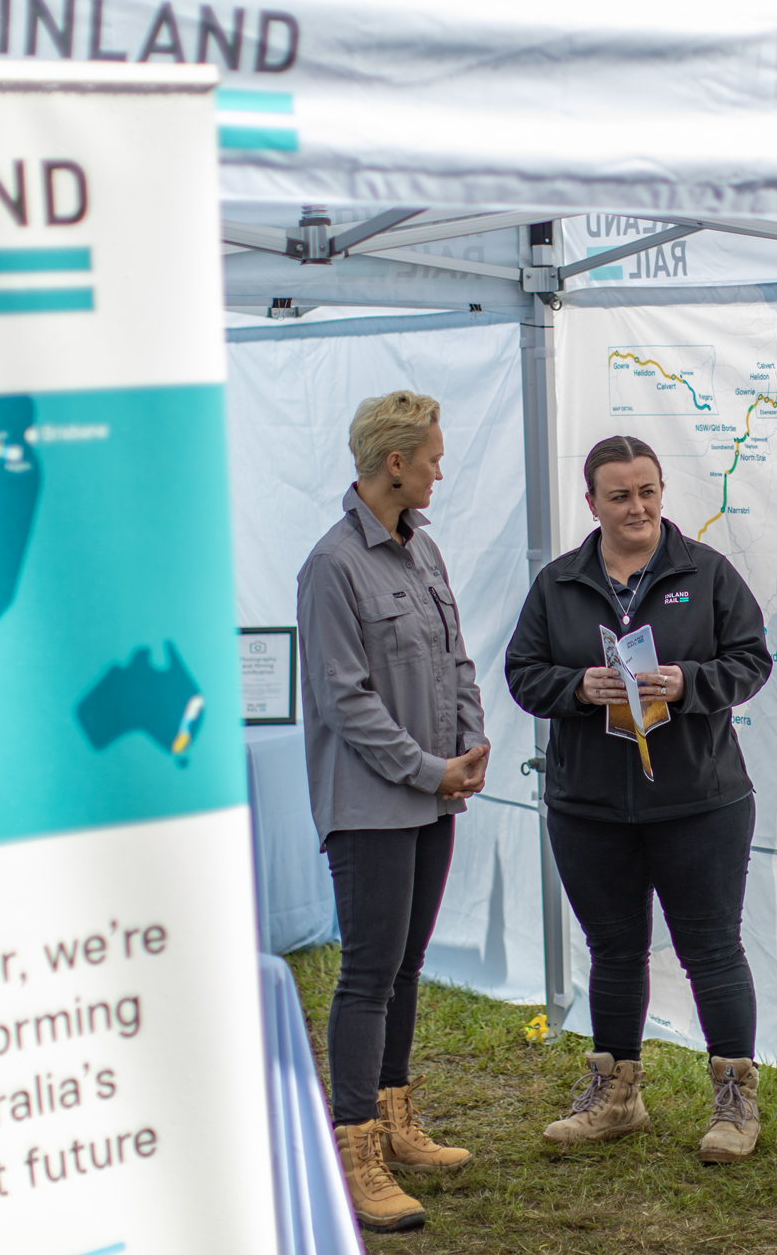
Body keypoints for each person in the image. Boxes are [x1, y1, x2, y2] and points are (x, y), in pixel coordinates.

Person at [505, 435, 773, 1163]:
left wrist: (689, 683)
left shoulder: (706, 573)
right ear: (590, 502)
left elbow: (752, 660)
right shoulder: (558, 584)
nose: (638, 506)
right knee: (614, 950)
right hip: (590, 805)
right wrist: (576, 688)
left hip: (700, 801)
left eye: (648, 490)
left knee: (711, 949)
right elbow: (522, 672)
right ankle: (616, 1095)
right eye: (620, 495)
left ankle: (734, 1101)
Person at [297, 390, 489, 1235]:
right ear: (395, 462)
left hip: (433, 794)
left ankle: (396, 1115)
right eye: (433, 456)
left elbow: (455, 657)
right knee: (369, 973)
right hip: (372, 803)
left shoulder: (425, 552)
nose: (443, 469)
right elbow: (347, 701)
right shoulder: (331, 565)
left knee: (407, 964)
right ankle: (356, 1146)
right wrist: (427, 769)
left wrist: (471, 746)